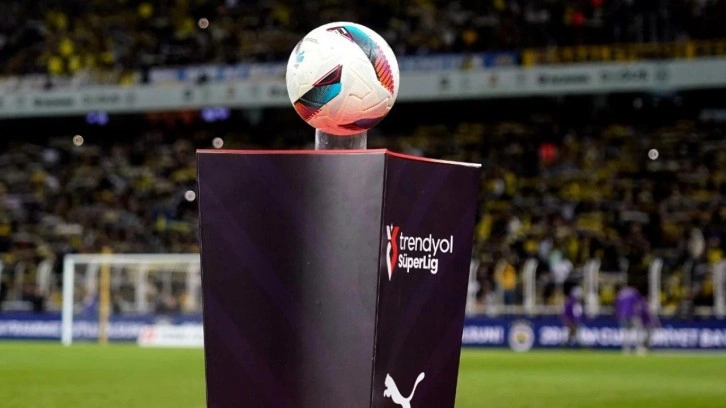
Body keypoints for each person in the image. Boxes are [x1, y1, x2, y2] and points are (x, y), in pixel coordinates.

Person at [615, 284, 647, 355]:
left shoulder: (620, 294)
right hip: (633, 314)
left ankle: (626, 349)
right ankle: (639, 348)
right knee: (638, 331)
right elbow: (639, 303)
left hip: (623, 315)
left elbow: (617, 305)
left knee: (626, 332)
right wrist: (640, 314)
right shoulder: (634, 292)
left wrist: (618, 315)